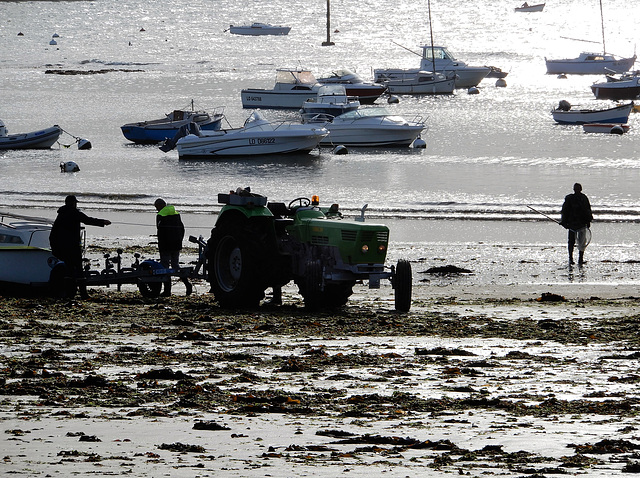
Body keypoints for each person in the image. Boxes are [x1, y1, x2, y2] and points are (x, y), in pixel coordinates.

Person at [49, 195, 111, 298]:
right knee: (79, 270)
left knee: (69, 270)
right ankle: (83, 294)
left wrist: (55, 248)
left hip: (64, 247)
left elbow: (53, 233)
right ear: (73, 203)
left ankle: (70, 294)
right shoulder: (74, 213)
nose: (76, 204)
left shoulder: (60, 215)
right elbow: (87, 220)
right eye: (75, 203)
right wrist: (102, 222)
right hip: (73, 247)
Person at [154, 198, 186, 296]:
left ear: (160, 206)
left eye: (156, 207)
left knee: (165, 267)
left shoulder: (160, 215)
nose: (156, 210)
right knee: (176, 265)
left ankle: (167, 291)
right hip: (176, 244)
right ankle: (187, 284)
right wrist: (180, 240)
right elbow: (182, 228)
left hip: (165, 245)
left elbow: (160, 231)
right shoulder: (176, 214)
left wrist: (161, 245)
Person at [560, 183, 593, 265]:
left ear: (580, 189)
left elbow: (588, 209)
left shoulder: (584, 198)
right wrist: (564, 221)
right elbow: (565, 210)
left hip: (582, 224)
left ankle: (580, 259)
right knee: (571, 242)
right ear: (574, 189)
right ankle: (570, 258)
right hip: (572, 224)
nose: (577, 190)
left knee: (582, 242)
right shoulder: (569, 198)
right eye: (576, 188)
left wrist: (588, 221)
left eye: (578, 188)